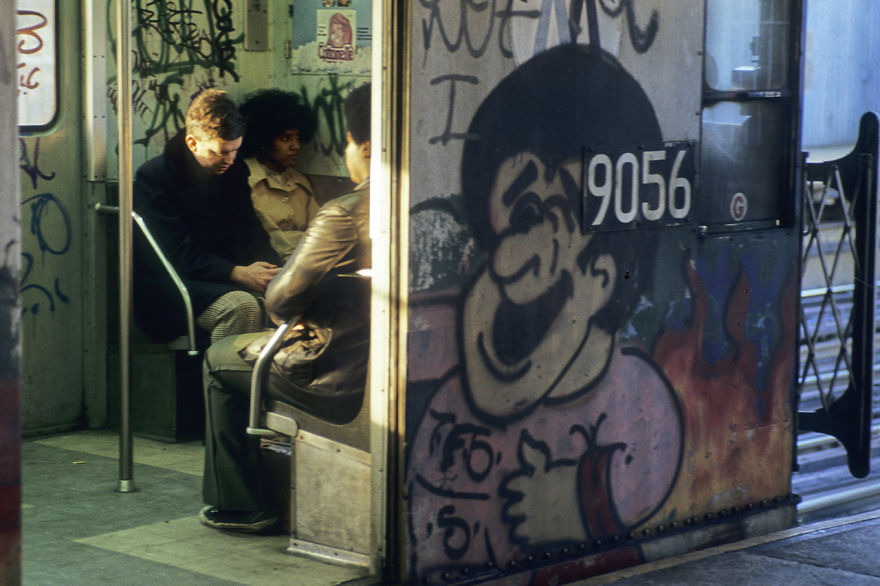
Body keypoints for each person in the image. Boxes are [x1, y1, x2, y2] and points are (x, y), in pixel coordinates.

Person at [406, 44, 684, 578]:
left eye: (558, 212)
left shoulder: (635, 393)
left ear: (605, 272)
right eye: (520, 211)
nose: (525, 245)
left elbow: (651, 472)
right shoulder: (454, 389)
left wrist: (580, 502)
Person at [199, 83, 371, 533]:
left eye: (349, 144)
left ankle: (238, 504)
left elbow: (281, 299)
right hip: (387, 355)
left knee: (219, 361)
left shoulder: (345, 212)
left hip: (334, 362)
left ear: (366, 148)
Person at [133, 89, 281, 344]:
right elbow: (173, 253)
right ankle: (219, 380)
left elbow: (250, 230)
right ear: (192, 143)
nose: (230, 160)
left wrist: (273, 271)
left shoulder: (233, 171)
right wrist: (236, 272)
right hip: (174, 286)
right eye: (220, 152)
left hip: (226, 274)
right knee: (243, 307)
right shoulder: (155, 177)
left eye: (236, 150)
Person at [239, 90, 320, 261]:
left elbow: (321, 235)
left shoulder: (300, 183)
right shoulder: (244, 180)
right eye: (285, 138)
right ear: (263, 140)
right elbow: (266, 240)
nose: (295, 146)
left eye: (298, 138)